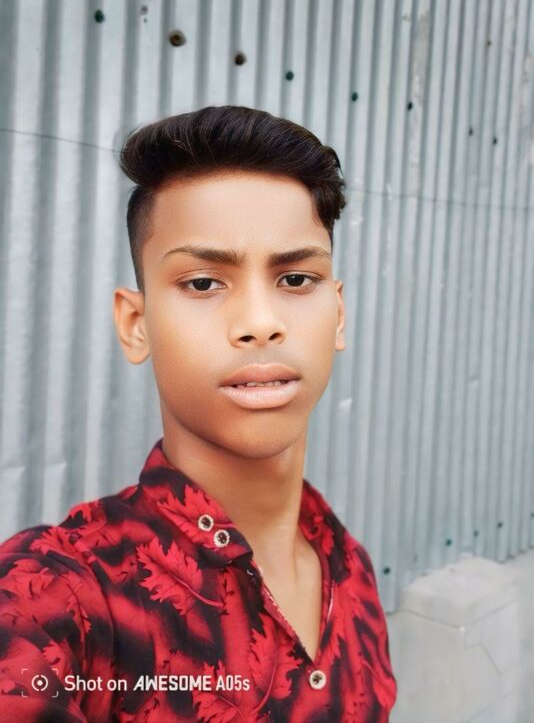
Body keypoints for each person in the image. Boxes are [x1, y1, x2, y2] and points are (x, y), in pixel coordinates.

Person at [0, 105, 397, 721]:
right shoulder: (59, 596)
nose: (261, 323)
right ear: (136, 325)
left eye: (296, 279)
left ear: (338, 315)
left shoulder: (351, 568)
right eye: (204, 283)